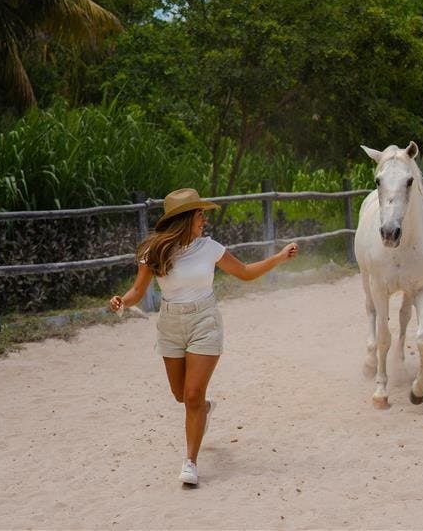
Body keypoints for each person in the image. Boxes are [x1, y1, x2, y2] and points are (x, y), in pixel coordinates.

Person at [109, 188, 298, 486]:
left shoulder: (210, 248)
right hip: (170, 324)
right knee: (181, 396)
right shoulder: (154, 252)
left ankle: (190, 462)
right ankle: (205, 409)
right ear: (185, 219)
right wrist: (122, 301)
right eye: (200, 216)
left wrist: (278, 258)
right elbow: (137, 291)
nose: (204, 221)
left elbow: (245, 272)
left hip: (205, 321)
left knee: (193, 395)